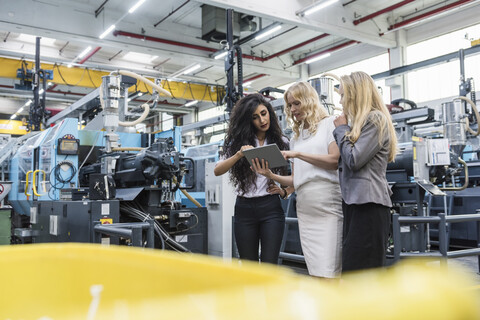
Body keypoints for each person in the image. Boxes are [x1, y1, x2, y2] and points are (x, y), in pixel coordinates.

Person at [251, 81, 343, 278]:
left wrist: (298, 154)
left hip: (327, 204)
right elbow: (295, 178)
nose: (293, 109)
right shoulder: (296, 137)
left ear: (309, 101)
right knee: (316, 271)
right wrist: (270, 176)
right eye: (290, 105)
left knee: (330, 270)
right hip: (305, 207)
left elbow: (334, 161)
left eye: (297, 104)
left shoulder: (330, 124)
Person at [333, 71, 398, 273]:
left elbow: (354, 159)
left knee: (363, 273)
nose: (341, 101)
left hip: (369, 206)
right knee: (354, 270)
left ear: (356, 94)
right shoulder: (359, 124)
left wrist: (341, 129)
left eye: (343, 95)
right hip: (356, 204)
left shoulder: (376, 119)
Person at [214, 93, 289, 264]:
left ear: (269, 112)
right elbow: (218, 170)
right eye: (255, 117)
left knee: (269, 264)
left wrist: (285, 191)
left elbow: (299, 175)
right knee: (250, 266)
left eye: (264, 113)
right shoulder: (236, 143)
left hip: (271, 208)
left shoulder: (282, 141)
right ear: (248, 121)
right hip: (244, 209)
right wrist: (239, 154)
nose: (262, 120)